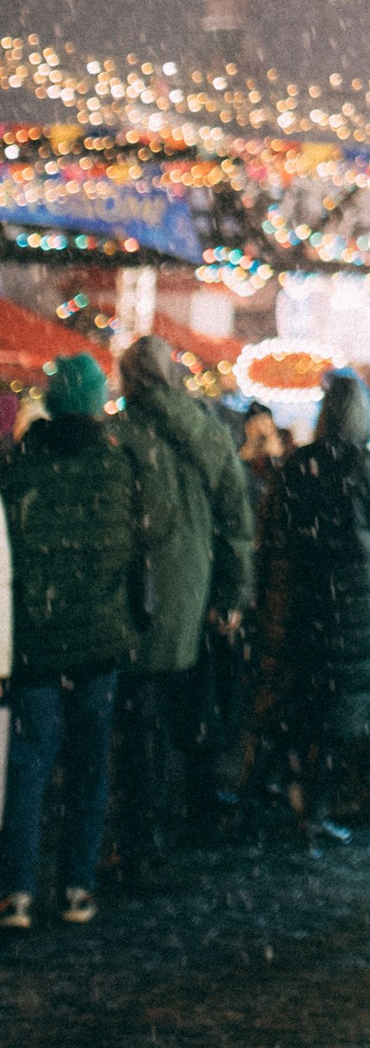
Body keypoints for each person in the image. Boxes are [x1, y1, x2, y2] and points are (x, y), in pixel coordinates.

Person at [1, 352, 163, 927]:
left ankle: (16, 890)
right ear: (96, 403)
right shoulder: (118, 464)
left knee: (29, 766)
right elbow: (139, 543)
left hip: (36, 642)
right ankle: (76, 886)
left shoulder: (18, 465)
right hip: (99, 642)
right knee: (90, 766)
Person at [250, 370, 370, 834]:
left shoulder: (295, 466)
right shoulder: (369, 468)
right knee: (340, 706)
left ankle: (265, 794)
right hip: (353, 608)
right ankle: (316, 810)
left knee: (295, 695)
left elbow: (269, 531)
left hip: (300, 601)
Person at [113, 334, 257, 878]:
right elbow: (236, 519)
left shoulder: (120, 434)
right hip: (198, 589)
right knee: (198, 705)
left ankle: (142, 836)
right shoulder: (208, 431)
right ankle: (200, 808)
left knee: (142, 719)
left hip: (141, 592)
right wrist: (231, 592)